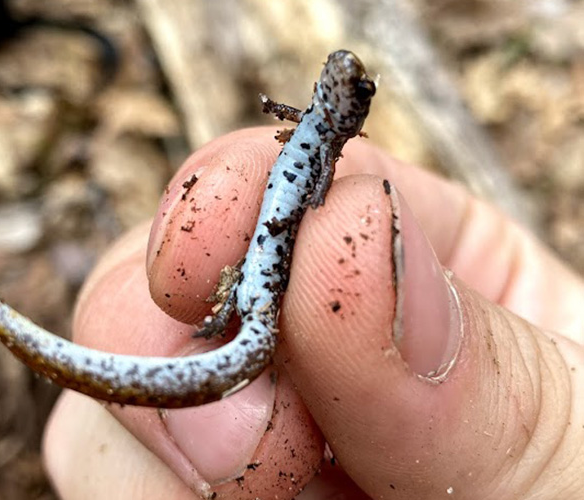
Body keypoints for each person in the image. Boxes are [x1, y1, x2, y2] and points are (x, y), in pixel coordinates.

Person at [42, 128, 584, 499]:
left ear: (353, 121)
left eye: (359, 89)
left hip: (259, 310)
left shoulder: (325, 152)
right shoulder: (306, 131)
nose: (343, 79)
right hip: (253, 305)